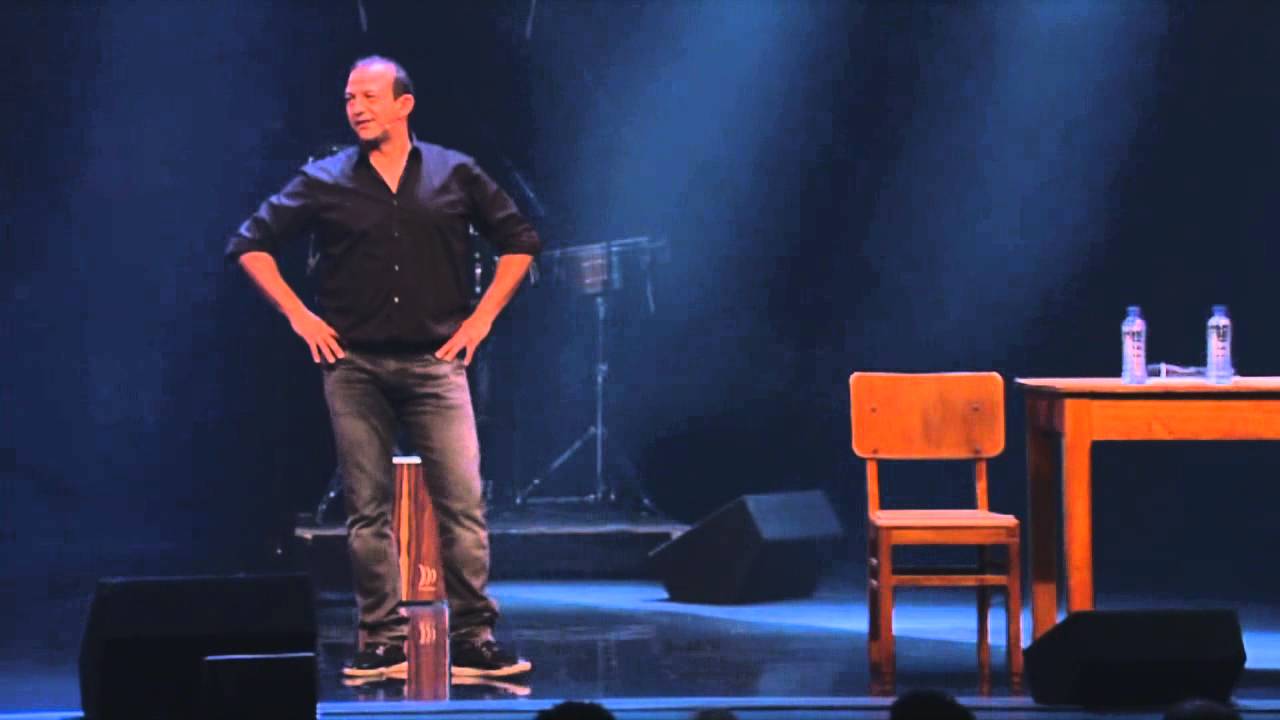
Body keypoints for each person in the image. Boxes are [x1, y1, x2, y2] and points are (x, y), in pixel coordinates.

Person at [226, 55, 539, 679]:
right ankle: (382, 640)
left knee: (463, 506)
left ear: (404, 104)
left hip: (436, 364)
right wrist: (300, 316)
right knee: (367, 510)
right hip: (354, 366)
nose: (357, 107)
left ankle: (474, 639)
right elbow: (249, 243)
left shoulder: (455, 172)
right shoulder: (324, 179)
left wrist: (480, 320)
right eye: (349, 98)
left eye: (369, 96)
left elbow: (520, 241)